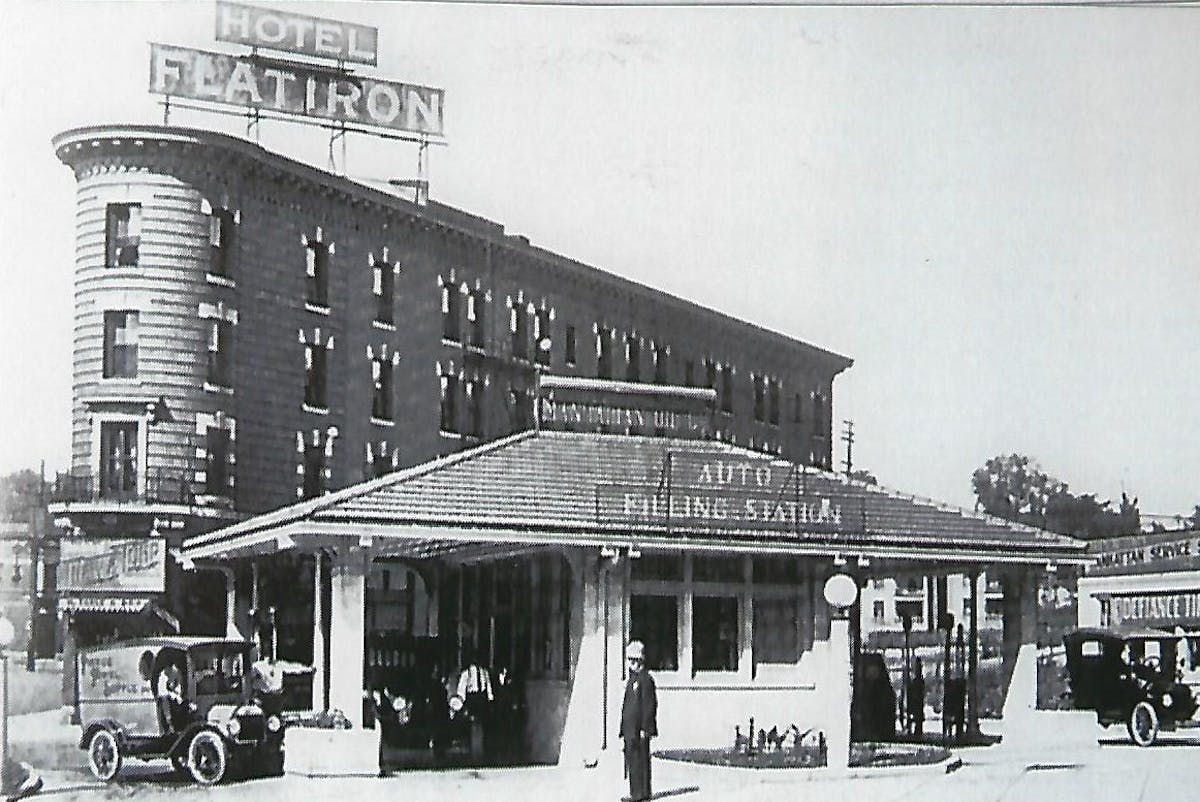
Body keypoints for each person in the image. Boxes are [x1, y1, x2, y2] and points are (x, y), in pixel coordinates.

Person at [620, 640, 657, 802]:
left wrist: (645, 727)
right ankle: (635, 791)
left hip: (639, 729)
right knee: (632, 760)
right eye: (629, 661)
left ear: (640, 661)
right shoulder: (632, 680)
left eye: (633, 661)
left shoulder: (646, 680)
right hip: (630, 728)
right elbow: (627, 706)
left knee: (641, 759)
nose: (631, 664)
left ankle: (642, 792)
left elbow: (649, 705)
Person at [906, 657, 925, 738]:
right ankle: (917, 730)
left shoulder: (918, 680)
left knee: (917, 714)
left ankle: (916, 730)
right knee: (918, 715)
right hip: (918, 698)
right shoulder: (920, 680)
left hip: (916, 698)